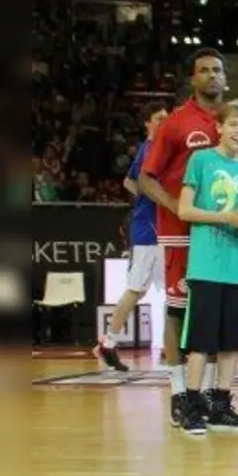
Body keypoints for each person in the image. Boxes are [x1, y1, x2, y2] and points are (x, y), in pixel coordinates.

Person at [139, 49, 238, 426]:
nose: (212, 76)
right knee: (178, 309)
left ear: (226, 77)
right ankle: (179, 392)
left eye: (217, 70)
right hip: (181, 232)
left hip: (223, 233)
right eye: (204, 70)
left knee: (216, 315)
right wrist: (173, 208)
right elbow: (145, 178)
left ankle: (215, 400)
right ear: (193, 78)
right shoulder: (176, 122)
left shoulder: (235, 122)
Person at [173, 99, 238, 435]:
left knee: (232, 342)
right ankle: (191, 405)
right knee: (201, 341)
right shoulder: (201, 159)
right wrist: (225, 217)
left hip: (237, 267)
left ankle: (221, 405)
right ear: (219, 127)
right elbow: (184, 210)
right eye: (234, 124)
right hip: (206, 266)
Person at [95, 102, 169, 371]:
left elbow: (128, 181)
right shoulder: (150, 149)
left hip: (158, 228)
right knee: (137, 289)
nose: (165, 122)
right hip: (149, 230)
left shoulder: (154, 149)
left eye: (167, 118)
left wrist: (144, 197)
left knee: (166, 291)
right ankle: (109, 342)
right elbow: (135, 183)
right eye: (159, 118)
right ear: (147, 123)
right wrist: (152, 200)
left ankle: (165, 347)